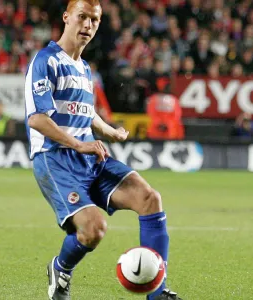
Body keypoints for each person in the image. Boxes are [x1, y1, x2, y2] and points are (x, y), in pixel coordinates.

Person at [24, 1, 182, 300]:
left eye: (94, 20)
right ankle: (60, 267)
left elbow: (86, 112)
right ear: (67, 17)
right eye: (82, 17)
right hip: (55, 160)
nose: (87, 25)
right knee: (94, 230)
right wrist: (79, 144)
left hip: (91, 158)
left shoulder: (83, 67)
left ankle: (156, 293)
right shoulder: (46, 61)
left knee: (150, 199)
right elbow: (37, 119)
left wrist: (109, 131)